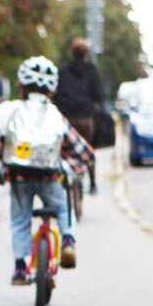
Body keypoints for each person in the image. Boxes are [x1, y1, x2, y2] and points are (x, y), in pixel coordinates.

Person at [0, 55, 93, 282]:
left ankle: (19, 267)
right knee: (64, 208)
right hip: (50, 176)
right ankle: (67, 241)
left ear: (20, 85)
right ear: (52, 90)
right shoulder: (56, 115)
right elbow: (84, 152)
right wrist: (67, 166)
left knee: (19, 219)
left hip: (19, 177)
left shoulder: (10, 110)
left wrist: (5, 158)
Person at [54, 38, 105, 194]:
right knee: (87, 149)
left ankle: (63, 180)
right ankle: (93, 183)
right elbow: (99, 95)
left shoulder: (62, 71)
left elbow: (55, 94)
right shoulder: (91, 70)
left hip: (67, 120)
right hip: (85, 118)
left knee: (64, 150)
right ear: (86, 53)